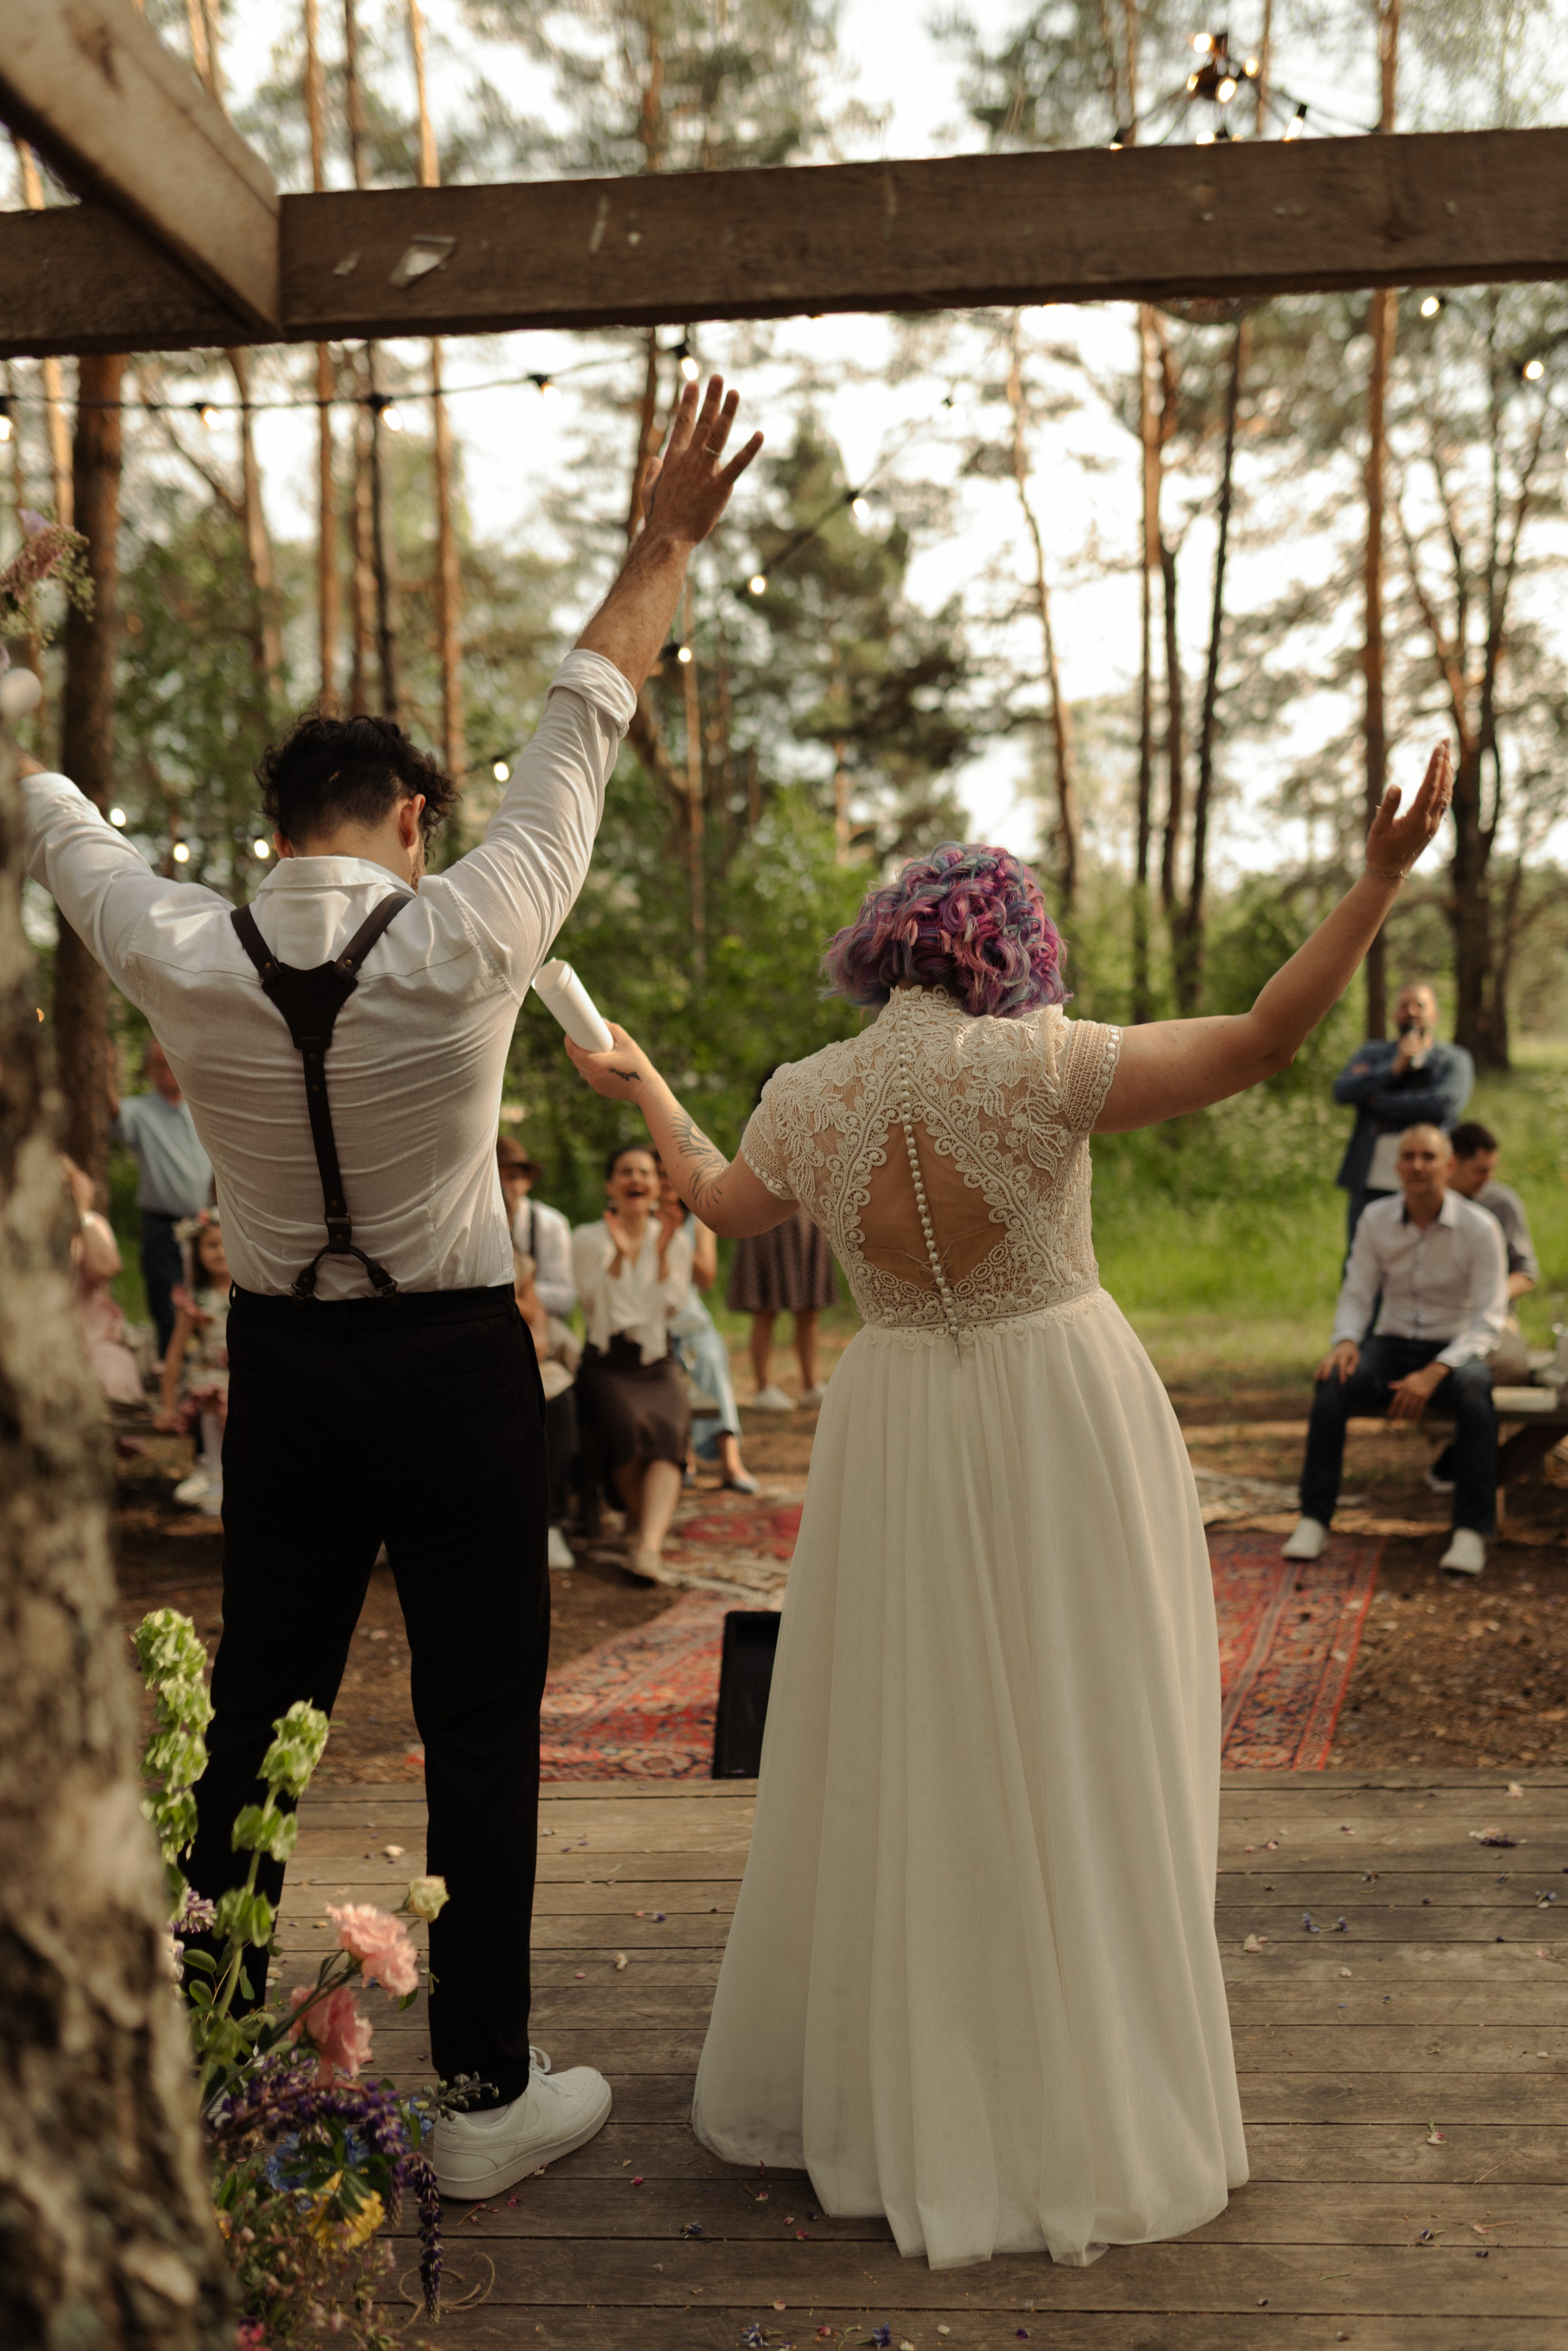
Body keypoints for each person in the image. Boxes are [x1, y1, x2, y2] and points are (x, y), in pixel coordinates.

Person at [18, 372, 761, 2203]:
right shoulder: (474, 927)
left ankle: (200, 2072)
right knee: (480, 1719)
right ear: (415, 815)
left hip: (281, 1371)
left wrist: (14, 619)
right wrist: (661, 542)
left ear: (271, 827)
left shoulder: (176, 939)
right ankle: (485, 2091)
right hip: (450, 1373)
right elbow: (585, 708)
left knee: (256, 1703)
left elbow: (40, 804)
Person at [564, 745, 1453, 2270]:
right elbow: (1260, 1037)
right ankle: (1080, 2082)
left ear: (884, 952)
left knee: (909, 1738)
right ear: (1008, 949)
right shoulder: (1038, 1062)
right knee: (1085, 1726)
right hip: (1057, 1408)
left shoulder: (809, 1095)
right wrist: (1373, 882)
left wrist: (641, 1079)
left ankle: (914, 2084)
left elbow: (712, 1199)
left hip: (895, 1422)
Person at [1283, 1122, 1506, 1579]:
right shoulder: (1375, 1219)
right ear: (1396, 1166)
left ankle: (1470, 1530)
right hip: (1391, 1342)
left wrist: (1436, 1371)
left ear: (1449, 1165)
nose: (1417, 1166)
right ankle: (1314, 1519)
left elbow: (1489, 1320)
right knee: (1332, 1379)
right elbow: (1357, 1293)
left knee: (1475, 1392)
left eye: (1428, 1157)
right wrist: (1346, 1341)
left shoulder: (1480, 1227)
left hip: (1452, 1348)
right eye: (1408, 1157)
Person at [572, 1143, 695, 1579]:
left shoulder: (674, 1239)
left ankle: (646, 1547)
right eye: (625, 1172)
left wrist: (659, 1256)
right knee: (625, 1426)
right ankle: (645, 1528)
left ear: (657, 1187)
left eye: (644, 1173)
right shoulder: (587, 1238)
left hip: (657, 1361)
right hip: (607, 1361)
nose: (636, 1180)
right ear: (611, 1186)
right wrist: (620, 1258)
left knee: (669, 1431)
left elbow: (673, 1306)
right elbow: (590, 1304)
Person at [1426, 1117, 1537, 1483]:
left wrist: (1491, 1295)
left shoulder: (1501, 1203)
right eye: (1480, 1171)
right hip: (1439, 1315)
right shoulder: (1424, 1203)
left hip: (1494, 1315)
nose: (1488, 1179)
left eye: (1492, 1170)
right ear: (1452, 1164)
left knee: (1511, 1365)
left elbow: (1527, 1273)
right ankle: (1462, 1443)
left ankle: (1466, 1449)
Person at [1332, 979, 1473, 1243]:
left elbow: (1443, 1106)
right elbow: (1342, 1091)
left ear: (1435, 1014)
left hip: (1430, 1182)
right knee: (1364, 1251)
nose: (1411, 1012)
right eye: (1403, 1005)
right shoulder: (1373, 1054)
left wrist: (1376, 1102)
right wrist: (1393, 1069)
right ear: (1393, 1015)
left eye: (1419, 1005)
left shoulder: (1453, 1060)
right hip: (1372, 1181)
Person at [726, 1081, 838, 1408]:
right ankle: (763, 1387)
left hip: (806, 1225)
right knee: (767, 1307)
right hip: (767, 1228)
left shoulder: (814, 1123)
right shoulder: (754, 1128)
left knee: (809, 1308)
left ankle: (810, 1384)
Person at [108, 1034, 215, 1359]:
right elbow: (114, 1115)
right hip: (162, 1227)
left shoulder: (203, 1108)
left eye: (172, 1061)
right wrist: (106, 1071)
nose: (169, 1071)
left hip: (207, 1226)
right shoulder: (139, 1110)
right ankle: (172, 1371)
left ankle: (207, 1368)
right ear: (149, 1070)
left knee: (210, 1302)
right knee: (168, 1304)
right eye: (160, 1064)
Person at [659, 1164, 760, 1494]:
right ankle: (683, 1456)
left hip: (692, 1318)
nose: (665, 1181)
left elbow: (706, 1279)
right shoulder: (636, 1222)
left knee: (710, 1359)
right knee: (670, 1372)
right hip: (653, 1321)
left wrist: (675, 1236)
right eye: (658, 1174)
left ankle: (730, 1461)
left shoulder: (697, 1221)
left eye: (669, 1174)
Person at [155, 1210, 233, 1515]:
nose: (220, 1252)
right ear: (196, 1253)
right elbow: (175, 1354)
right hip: (210, 1374)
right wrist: (167, 1405)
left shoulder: (250, 1294)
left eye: (226, 1244)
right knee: (214, 1392)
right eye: (211, 1245)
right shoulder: (195, 1300)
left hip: (244, 1374)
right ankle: (215, 1477)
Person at [513, 1247, 581, 1571]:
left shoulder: (519, 1261)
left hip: (526, 1359)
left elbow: (537, 1315)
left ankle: (552, 1521)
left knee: (559, 1397)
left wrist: (539, 1334)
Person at [62, 1155, 144, 1406]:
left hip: (91, 1334)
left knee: (113, 1368)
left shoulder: (91, 1224)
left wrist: (81, 1214)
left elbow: (106, 1268)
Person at [497, 1136, 576, 1318]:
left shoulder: (551, 1224)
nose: (504, 1187)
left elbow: (565, 1298)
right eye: (496, 1178)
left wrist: (520, 1294)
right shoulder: (474, 1225)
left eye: (512, 1177)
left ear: (528, 1182)